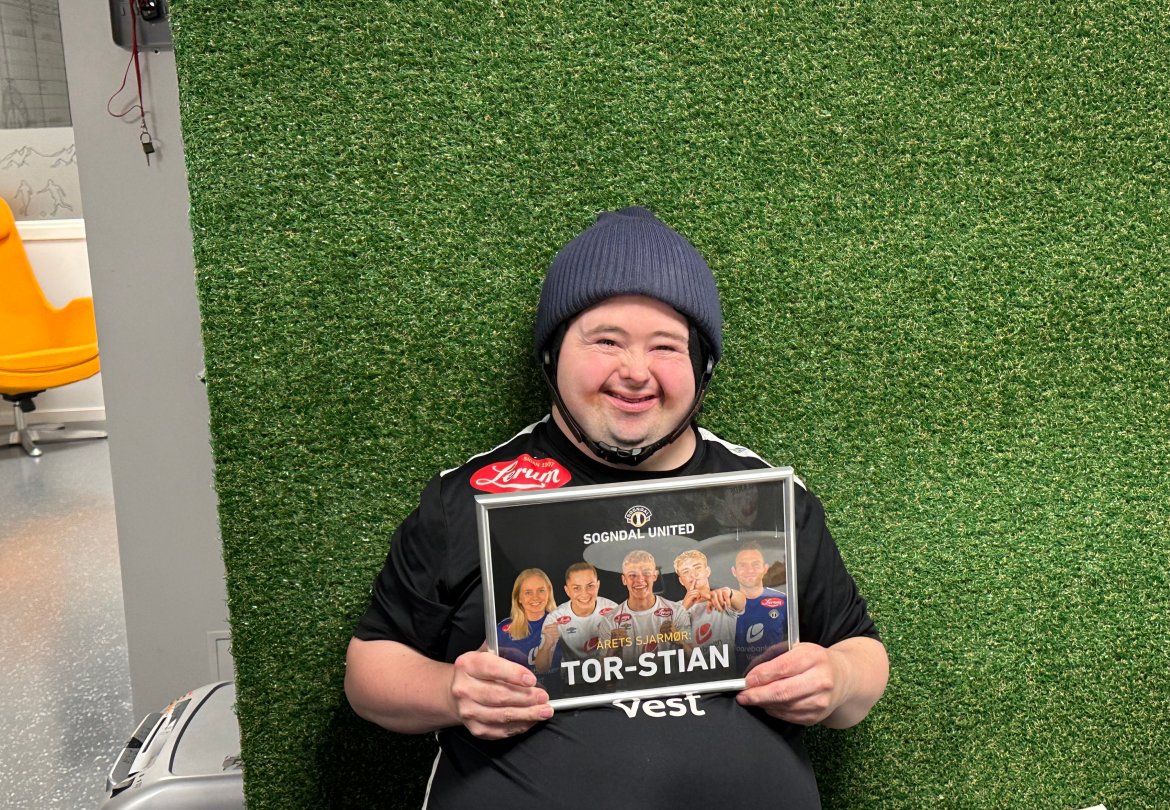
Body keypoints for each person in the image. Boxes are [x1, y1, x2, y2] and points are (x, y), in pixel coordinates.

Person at [345, 206, 889, 808]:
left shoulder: (765, 494)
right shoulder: (473, 495)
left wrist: (837, 679)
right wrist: (451, 690)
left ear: (701, 367)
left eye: (666, 346)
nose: (635, 372)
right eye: (606, 341)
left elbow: (861, 659)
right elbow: (369, 674)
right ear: (553, 354)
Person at [602, 549, 692, 667]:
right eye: (632, 575)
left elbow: (696, 662)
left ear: (655, 576)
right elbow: (600, 675)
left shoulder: (677, 611)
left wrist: (680, 642)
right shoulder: (609, 620)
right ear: (624, 580)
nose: (640, 580)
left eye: (646, 573)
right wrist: (611, 651)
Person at [534, 561, 616, 674]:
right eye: (576, 588)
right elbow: (541, 669)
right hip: (572, 679)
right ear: (567, 591)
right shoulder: (555, 618)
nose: (584, 593)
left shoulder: (614, 611)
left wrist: (619, 642)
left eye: (590, 586)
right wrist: (547, 644)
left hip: (609, 675)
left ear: (597, 586)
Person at [732, 544, 791, 673]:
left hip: (775, 677)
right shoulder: (724, 605)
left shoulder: (783, 601)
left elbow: (796, 642)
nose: (750, 570)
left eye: (756, 565)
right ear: (734, 571)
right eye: (743, 565)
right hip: (735, 679)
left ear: (765, 569)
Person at [673, 548, 743, 656]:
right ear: (681, 581)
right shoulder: (674, 608)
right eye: (686, 572)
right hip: (692, 665)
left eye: (697, 567)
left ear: (707, 571)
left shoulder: (723, 598)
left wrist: (729, 592)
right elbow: (665, 635)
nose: (693, 574)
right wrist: (684, 607)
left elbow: (742, 602)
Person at [496, 568, 559, 680]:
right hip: (516, 690)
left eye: (541, 590)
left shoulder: (563, 624)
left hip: (558, 690)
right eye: (528, 592)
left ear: (549, 592)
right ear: (519, 598)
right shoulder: (502, 630)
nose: (535, 597)